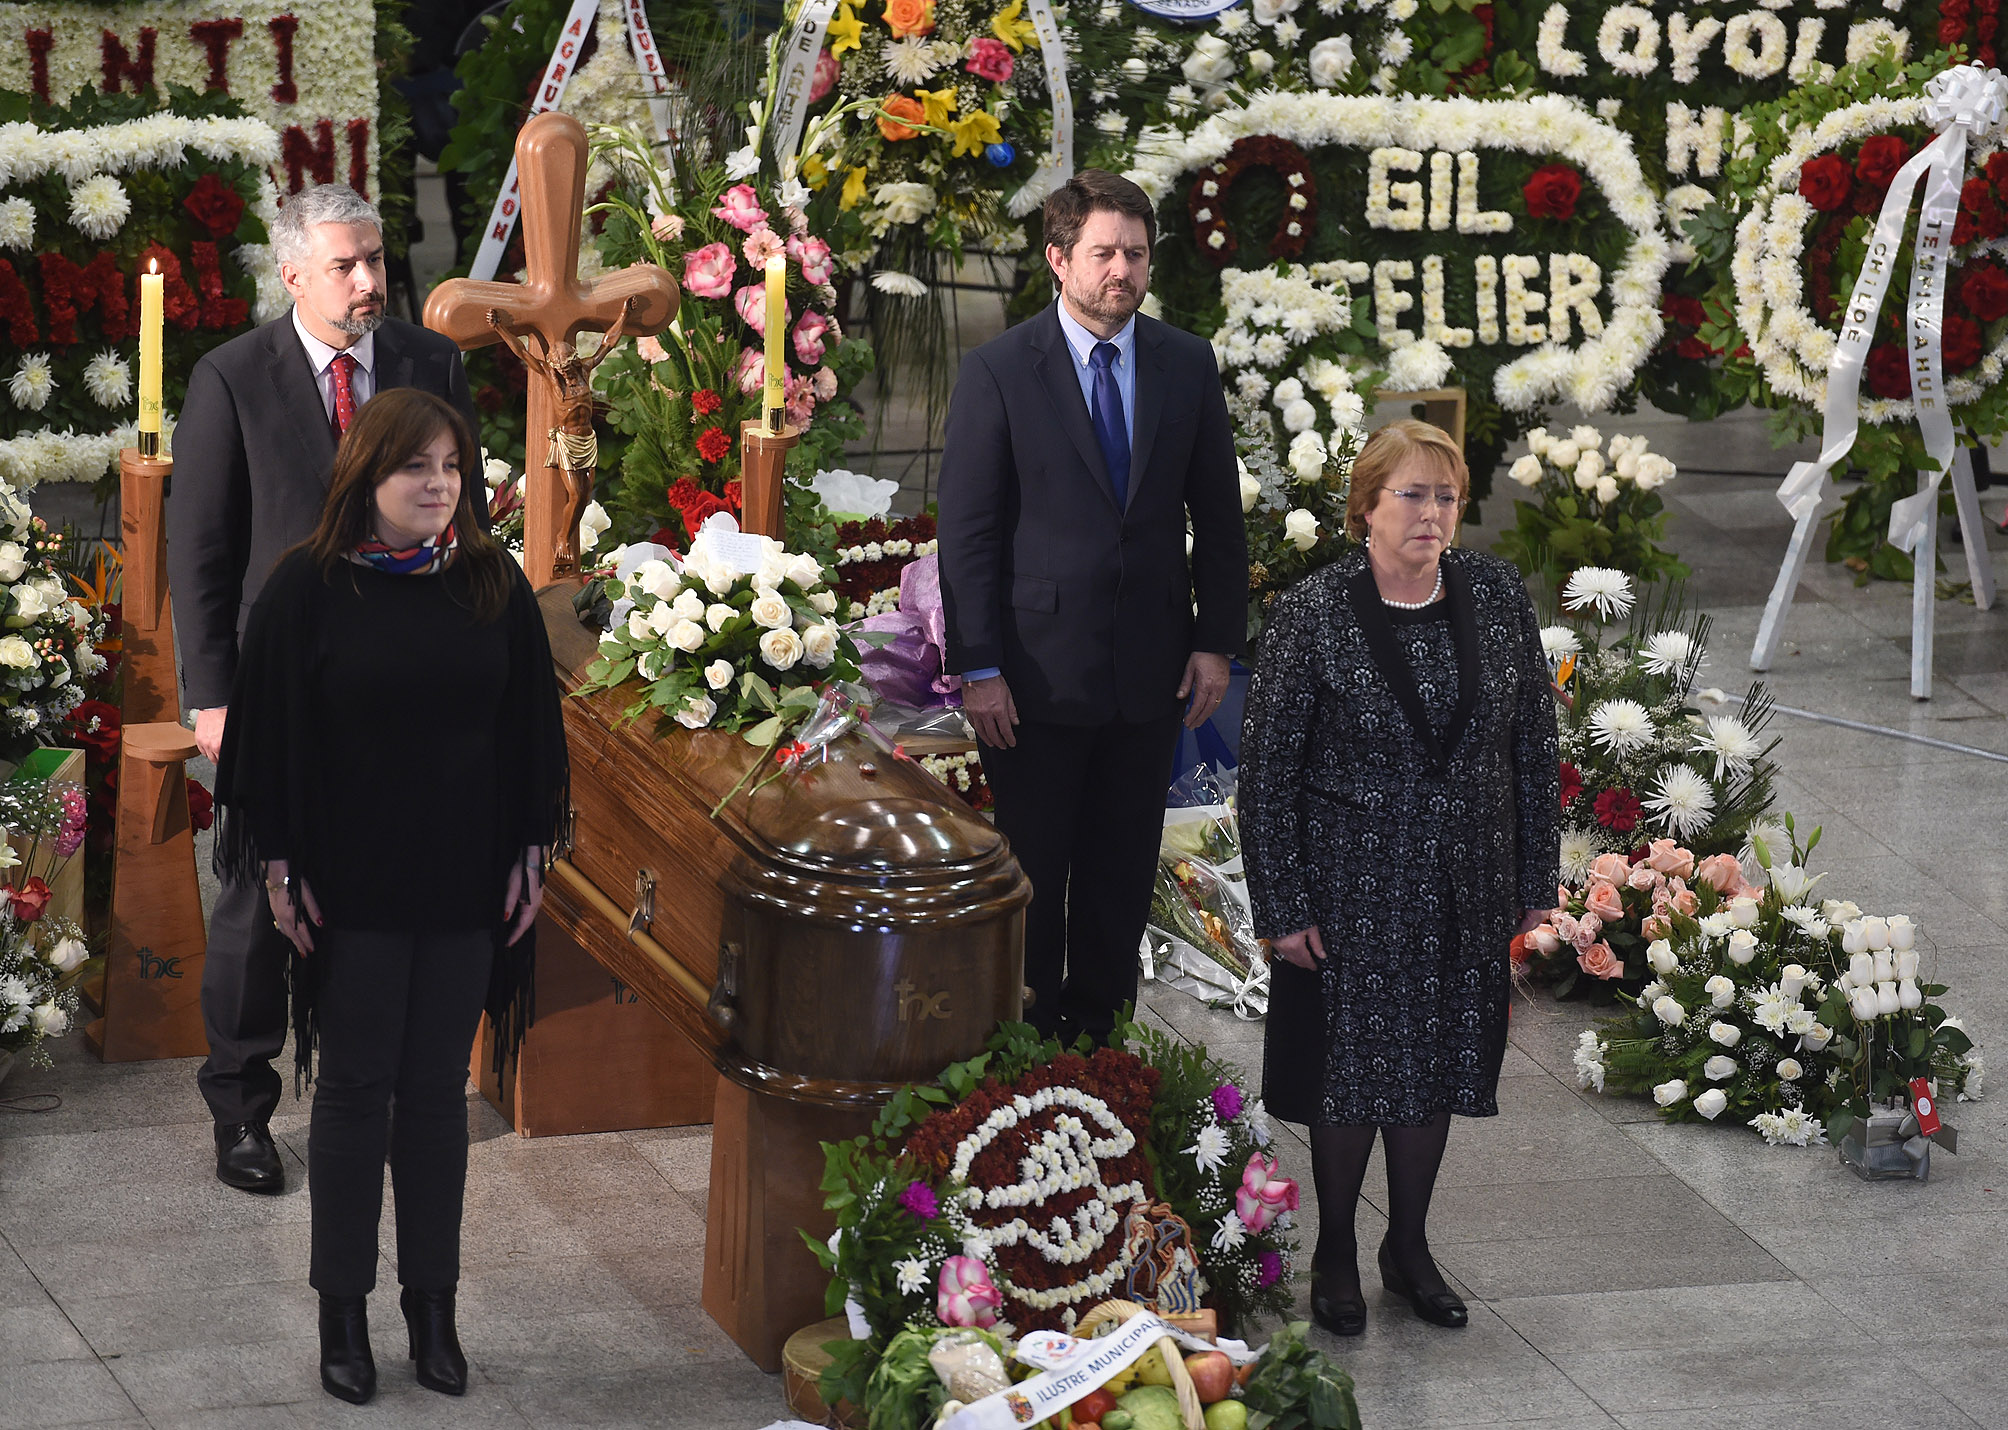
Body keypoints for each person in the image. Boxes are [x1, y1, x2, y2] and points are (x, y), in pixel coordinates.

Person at [209, 389, 567, 1405]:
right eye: (415, 466)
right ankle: (342, 1312)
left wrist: (530, 847)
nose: (436, 485)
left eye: (452, 466)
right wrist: (277, 867)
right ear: (366, 474)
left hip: (463, 880)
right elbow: (266, 745)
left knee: (435, 1099)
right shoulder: (309, 589)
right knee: (358, 1091)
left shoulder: (492, 581)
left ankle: (433, 1306)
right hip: (351, 886)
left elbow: (531, 734)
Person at [169, 182, 485, 1195]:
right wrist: (212, 695)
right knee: (257, 902)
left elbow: (462, 513)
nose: (367, 280)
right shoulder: (233, 378)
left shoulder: (429, 363)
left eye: (375, 259)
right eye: (344, 264)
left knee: (394, 880)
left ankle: (378, 1084)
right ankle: (241, 1107)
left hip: (406, 676)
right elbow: (204, 549)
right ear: (293, 271)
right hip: (282, 683)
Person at [1238, 419, 1559, 1336]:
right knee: (1354, 1077)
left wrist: (1537, 878)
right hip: (1353, 889)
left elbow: (1531, 748)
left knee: (1437, 1068)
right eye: (1410, 495)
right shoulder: (1312, 612)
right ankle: (1337, 1247)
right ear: (1365, 509)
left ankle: (1408, 1246)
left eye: (1446, 496)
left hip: (1466, 882)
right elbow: (1266, 777)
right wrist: (1283, 907)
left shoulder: (1495, 595)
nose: (1430, 514)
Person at [937, 170, 1247, 1042]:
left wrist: (1215, 641)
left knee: (1117, 880)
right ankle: (1024, 1057)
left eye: (1137, 254)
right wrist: (981, 667)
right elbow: (967, 532)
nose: (1122, 270)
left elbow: (1217, 517)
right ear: (1059, 259)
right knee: (1033, 877)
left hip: (1149, 676)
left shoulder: (1185, 364)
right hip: (1031, 683)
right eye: (1105, 252)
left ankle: (1100, 1053)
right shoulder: (1000, 371)